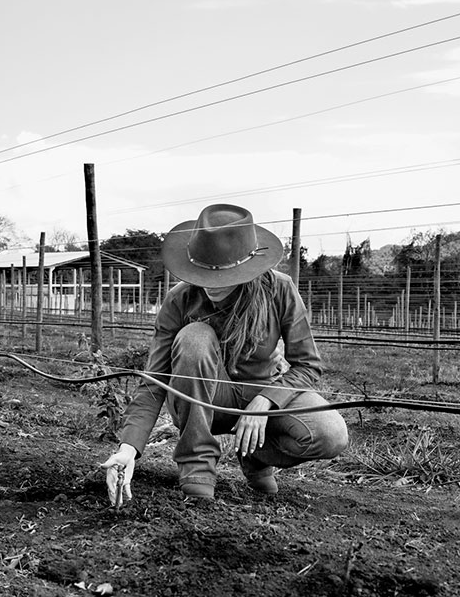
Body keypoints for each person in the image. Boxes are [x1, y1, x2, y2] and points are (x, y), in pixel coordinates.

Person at [100, 203, 348, 505]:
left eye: (223, 275)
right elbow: (154, 381)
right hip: (200, 400)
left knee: (330, 433)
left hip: (261, 396)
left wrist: (267, 400)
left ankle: (254, 455)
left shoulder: (280, 291)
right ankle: (197, 467)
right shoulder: (179, 300)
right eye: (202, 273)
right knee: (194, 338)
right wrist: (128, 449)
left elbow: (308, 365)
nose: (210, 284)